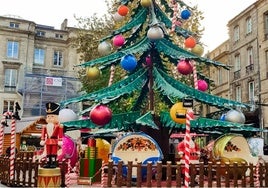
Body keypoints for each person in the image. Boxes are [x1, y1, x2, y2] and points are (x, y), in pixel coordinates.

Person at [40, 102, 63, 168]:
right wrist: (42, 140)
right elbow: (43, 134)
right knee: (48, 153)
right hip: (48, 141)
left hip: (54, 140)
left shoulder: (59, 126)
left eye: (52, 116)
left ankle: (53, 162)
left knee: (53, 152)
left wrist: (60, 140)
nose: (50, 118)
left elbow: (60, 133)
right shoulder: (45, 126)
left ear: (56, 117)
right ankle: (48, 162)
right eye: (48, 116)